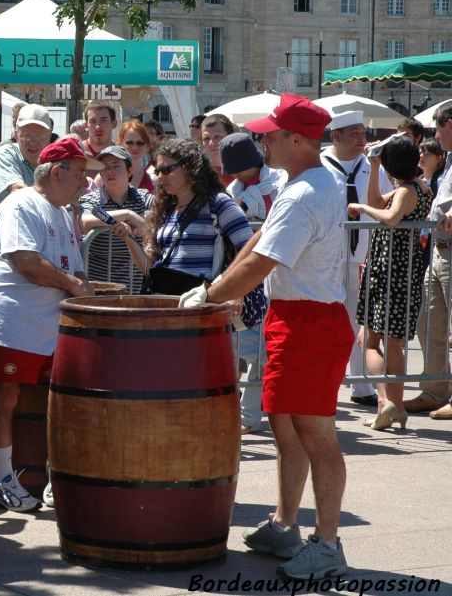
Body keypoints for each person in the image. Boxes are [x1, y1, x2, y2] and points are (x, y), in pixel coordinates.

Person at [187, 94, 354, 579]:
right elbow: (259, 241)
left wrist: (211, 295)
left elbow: (262, 261)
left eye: (272, 134)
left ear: (297, 140)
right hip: (295, 318)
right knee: (286, 427)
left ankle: (327, 543)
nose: (263, 139)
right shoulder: (300, 181)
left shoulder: (306, 190)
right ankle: (286, 525)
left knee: (316, 434)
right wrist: (215, 290)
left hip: (312, 323)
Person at [0, 137, 93, 513]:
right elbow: (25, 261)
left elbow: (72, 266)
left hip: (49, 325)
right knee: (5, 398)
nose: (85, 183)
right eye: (79, 174)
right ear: (57, 172)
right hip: (13, 321)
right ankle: (3, 480)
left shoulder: (60, 211)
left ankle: (48, 478)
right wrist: (75, 285)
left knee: (56, 403)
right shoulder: (20, 203)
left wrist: (81, 285)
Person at [348, 135, 432, 430]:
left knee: (368, 340)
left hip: (388, 270)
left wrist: (362, 208)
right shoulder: (419, 187)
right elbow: (378, 201)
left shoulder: (405, 192)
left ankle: (386, 401)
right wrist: (373, 169)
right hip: (404, 270)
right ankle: (394, 408)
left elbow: (390, 217)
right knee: (393, 343)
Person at [118, 138, 252, 289]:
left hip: (202, 303)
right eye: (157, 171)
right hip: (170, 304)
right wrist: (129, 240)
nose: (160, 177)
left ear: (189, 167)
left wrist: (234, 289)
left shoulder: (218, 203)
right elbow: (150, 269)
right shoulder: (164, 209)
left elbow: (249, 249)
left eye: (166, 170)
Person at [322, 109, 389, 408]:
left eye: (363, 132)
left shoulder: (373, 167)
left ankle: (361, 386)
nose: (363, 138)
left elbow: (384, 199)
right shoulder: (320, 165)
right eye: (355, 133)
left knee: (358, 320)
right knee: (325, 320)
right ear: (336, 137)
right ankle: (324, 383)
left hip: (362, 255)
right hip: (325, 256)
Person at [407, 103, 452, 419]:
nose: (435, 135)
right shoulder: (448, 160)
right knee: (429, 321)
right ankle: (436, 390)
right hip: (439, 249)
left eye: (438, 128)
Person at [78, 145, 152, 292]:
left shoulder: (144, 198)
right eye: (105, 167)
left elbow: (161, 217)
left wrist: (146, 220)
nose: (110, 172)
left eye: (116, 166)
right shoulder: (91, 199)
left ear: (129, 171)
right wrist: (128, 214)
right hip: (100, 288)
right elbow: (85, 221)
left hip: (135, 289)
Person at [0, 103, 51, 203]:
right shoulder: (6, 153)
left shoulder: (57, 159)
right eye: (26, 135)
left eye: (39, 135)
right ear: (16, 135)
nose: (33, 141)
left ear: (49, 136)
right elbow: (18, 190)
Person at [220, 132, 286, 221]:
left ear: (252, 162)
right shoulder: (232, 191)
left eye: (239, 170)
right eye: (232, 171)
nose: (235, 175)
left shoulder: (280, 180)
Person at [116, 119, 156, 192]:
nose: (135, 147)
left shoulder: (153, 180)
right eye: (129, 143)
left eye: (140, 143)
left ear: (147, 147)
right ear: (119, 144)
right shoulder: (106, 176)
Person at [200, 113, 235, 181]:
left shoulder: (247, 172)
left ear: (231, 137)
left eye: (217, 137)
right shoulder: (197, 176)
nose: (211, 143)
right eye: (206, 138)